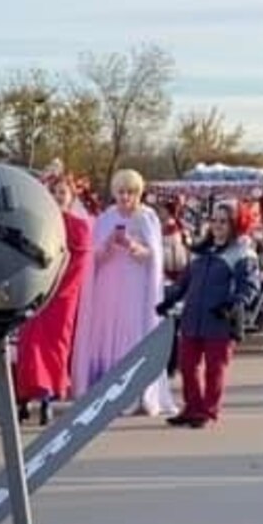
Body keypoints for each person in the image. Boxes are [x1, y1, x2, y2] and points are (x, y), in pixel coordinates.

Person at [72, 168, 172, 416]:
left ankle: (135, 393)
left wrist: (131, 245)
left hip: (135, 286)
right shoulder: (106, 217)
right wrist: (107, 245)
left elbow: (154, 257)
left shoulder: (147, 217)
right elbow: (94, 256)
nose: (125, 197)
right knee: (107, 332)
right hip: (109, 285)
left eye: (131, 192)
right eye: (121, 192)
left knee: (131, 333)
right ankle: (105, 390)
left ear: (138, 194)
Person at [158, 199, 257, 429]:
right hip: (192, 319)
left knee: (215, 369)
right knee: (187, 365)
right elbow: (184, 283)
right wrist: (167, 300)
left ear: (235, 224)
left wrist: (232, 305)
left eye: (224, 221)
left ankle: (207, 410)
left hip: (221, 320)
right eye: (214, 220)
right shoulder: (200, 252)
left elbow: (249, 287)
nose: (218, 225)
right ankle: (191, 408)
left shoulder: (243, 253)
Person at [15, 170, 92, 423]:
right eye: (53, 192)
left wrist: (57, 288)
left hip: (60, 296)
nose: (57, 197)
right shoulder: (37, 221)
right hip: (35, 291)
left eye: (62, 193)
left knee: (55, 344)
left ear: (71, 197)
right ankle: (25, 395)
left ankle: (47, 394)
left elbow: (78, 264)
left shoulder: (78, 227)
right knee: (28, 343)